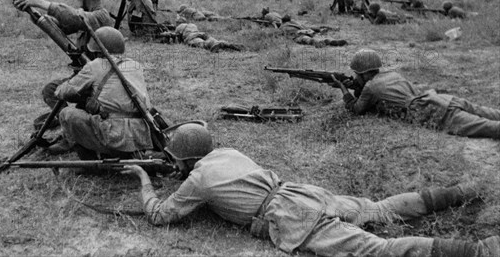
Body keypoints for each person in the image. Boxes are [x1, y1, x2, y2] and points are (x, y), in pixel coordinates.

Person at [122, 122, 499, 256]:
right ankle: (464, 190)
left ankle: (479, 251)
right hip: (301, 192)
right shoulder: (226, 153)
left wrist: (143, 179)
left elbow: (160, 216)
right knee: (380, 209)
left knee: (376, 250)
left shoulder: (198, 181)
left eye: (176, 160)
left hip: (290, 216)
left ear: (185, 160)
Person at [13, 0, 113, 128]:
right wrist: (33, 13)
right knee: (51, 90)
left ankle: (73, 133)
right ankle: (70, 127)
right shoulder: (87, 15)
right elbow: (61, 26)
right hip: (85, 76)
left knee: (65, 96)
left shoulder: (101, 16)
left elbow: (75, 18)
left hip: (100, 83)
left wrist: (39, 2)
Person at [332, 49, 499, 140]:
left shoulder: (370, 87)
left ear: (362, 73)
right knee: (488, 113)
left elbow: (356, 109)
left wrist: (344, 91)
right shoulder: (391, 74)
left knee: (488, 127)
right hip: (441, 99)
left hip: (432, 111)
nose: (354, 77)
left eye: (356, 74)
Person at [46, 27, 154, 159]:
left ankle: (89, 163)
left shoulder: (95, 66)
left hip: (114, 137)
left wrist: (73, 84)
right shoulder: (135, 65)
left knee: (67, 114)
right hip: (139, 137)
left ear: (96, 50)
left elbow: (63, 92)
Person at [160, 17, 243, 52]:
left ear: (179, 23)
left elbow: (175, 37)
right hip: (200, 33)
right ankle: (227, 44)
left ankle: (217, 44)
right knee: (211, 40)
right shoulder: (192, 24)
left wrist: (165, 35)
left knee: (203, 44)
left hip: (191, 37)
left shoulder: (179, 27)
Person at [280, 15, 347, 48]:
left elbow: (281, 34)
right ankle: (329, 41)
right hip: (305, 30)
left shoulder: (282, 26)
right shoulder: (294, 22)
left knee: (307, 39)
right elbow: (304, 26)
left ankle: (319, 42)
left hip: (297, 34)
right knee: (314, 34)